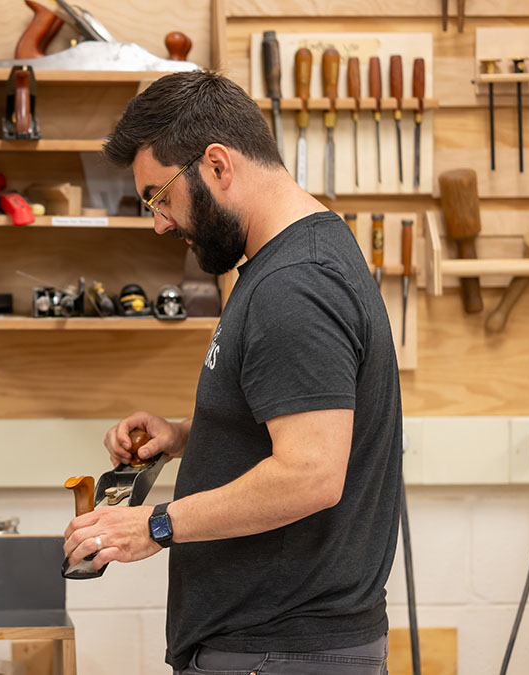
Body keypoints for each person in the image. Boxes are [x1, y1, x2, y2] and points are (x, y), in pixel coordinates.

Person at [63, 70, 402, 674]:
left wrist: (157, 525)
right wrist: (185, 435)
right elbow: (294, 425)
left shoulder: (296, 285)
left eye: (159, 198)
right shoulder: (294, 262)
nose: (162, 223)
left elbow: (311, 474)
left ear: (217, 165)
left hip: (281, 652)